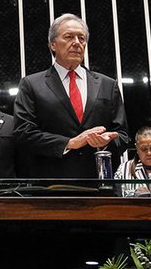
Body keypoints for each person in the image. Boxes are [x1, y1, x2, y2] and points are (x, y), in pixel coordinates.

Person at [13, 14, 129, 178]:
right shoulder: (31, 84)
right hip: (51, 185)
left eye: (81, 38)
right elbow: (23, 133)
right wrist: (70, 143)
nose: (76, 42)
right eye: (68, 37)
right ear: (53, 44)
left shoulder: (107, 85)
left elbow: (123, 135)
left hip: (99, 184)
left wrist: (106, 142)